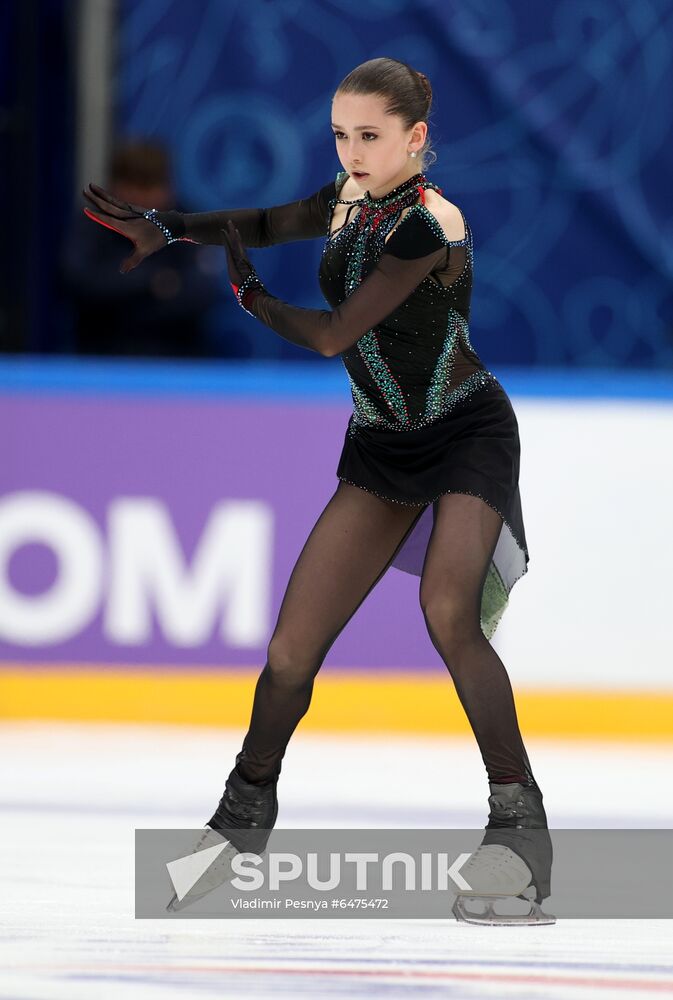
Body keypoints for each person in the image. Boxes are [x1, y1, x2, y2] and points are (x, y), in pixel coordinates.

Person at [82, 57, 554, 925]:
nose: (352, 151)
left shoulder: (430, 224)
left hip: (464, 432)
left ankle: (518, 826)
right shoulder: (347, 196)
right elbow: (267, 219)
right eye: (340, 135)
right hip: (381, 445)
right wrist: (166, 225)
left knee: (447, 614)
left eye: (369, 136)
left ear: (415, 138)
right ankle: (240, 821)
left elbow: (338, 333)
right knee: (291, 649)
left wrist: (251, 298)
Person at [62, 138, 222, 358]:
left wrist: (120, 296)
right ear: (113, 187)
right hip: (101, 359)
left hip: (176, 361)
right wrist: (153, 282)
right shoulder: (91, 224)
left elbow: (201, 295)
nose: (142, 198)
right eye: (134, 186)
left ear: (169, 188)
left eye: (151, 186)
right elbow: (79, 283)